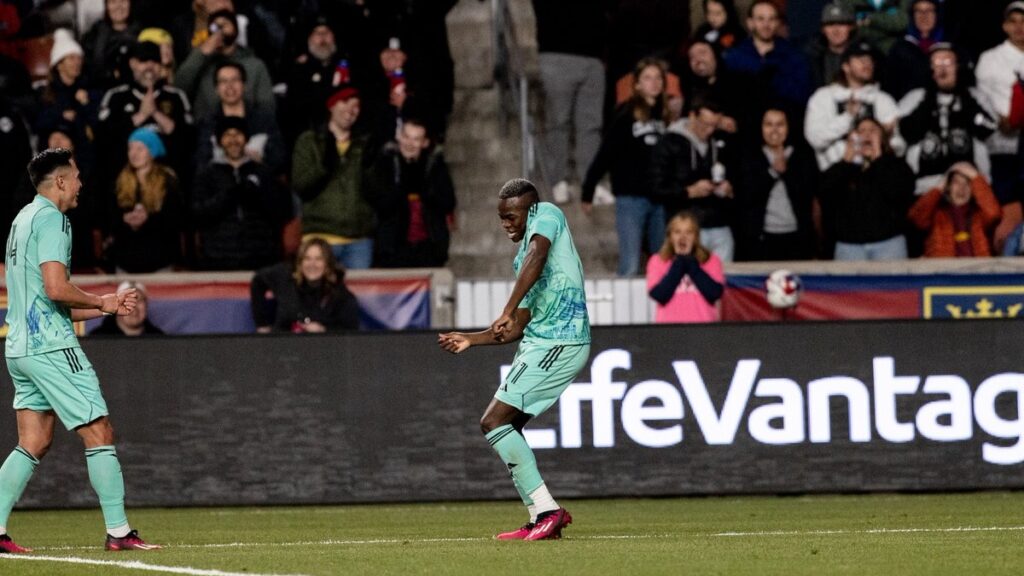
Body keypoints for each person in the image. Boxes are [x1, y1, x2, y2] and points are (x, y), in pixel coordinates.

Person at [0, 148, 159, 553]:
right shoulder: (54, 219)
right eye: (77, 177)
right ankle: (120, 533)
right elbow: (55, 287)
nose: (81, 184)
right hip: (51, 344)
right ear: (60, 182)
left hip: (19, 346)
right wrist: (102, 302)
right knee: (99, 431)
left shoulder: (21, 219)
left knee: (33, 442)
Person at [438, 178, 589, 541]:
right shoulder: (521, 261)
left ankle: (548, 511)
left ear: (530, 210)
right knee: (503, 427)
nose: (506, 223)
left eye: (511, 216)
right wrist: (471, 340)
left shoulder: (548, 215)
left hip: (561, 341)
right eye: (501, 217)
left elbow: (538, 255)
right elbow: (517, 325)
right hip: (538, 342)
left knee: (493, 421)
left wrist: (506, 307)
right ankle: (541, 514)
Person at [582, 57, 670, 276]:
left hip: (660, 198)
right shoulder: (625, 114)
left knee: (661, 263)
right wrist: (588, 189)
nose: (654, 83)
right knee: (630, 263)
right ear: (637, 84)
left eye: (658, 78)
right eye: (648, 78)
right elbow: (606, 153)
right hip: (631, 197)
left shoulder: (666, 116)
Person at [531, 0, 607, 204]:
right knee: (558, 122)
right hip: (556, 53)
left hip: (592, 56)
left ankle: (590, 183)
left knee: (591, 125)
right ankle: (558, 182)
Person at [292, 86, 376, 270]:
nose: (351, 110)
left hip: (359, 241)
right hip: (319, 238)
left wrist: (371, 169)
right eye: (345, 102)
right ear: (331, 106)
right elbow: (302, 185)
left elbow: (375, 191)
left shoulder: (365, 145)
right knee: (317, 296)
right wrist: (325, 167)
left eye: (356, 105)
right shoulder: (309, 141)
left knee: (357, 298)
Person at [192, 116, 291, 270]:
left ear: (246, 139)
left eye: (238, 134)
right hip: (218, 258)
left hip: (261, 258)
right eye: (227, 135)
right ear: (219, 141)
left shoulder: (263, 172)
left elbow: (282, 211)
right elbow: (198, 214)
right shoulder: (206, 175)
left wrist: (256, 193)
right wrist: (233, 193)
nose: (233, 140)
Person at [898, 43, 995, 195]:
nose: (943, 68)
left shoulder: (975, 96)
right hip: (925, 185)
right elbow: (907, 134)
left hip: (969, 184)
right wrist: (929, 98)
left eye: (948, 62)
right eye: (937, 63)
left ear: (958, 66)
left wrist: (963, 95)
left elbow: (988, 129)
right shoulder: (914, 98)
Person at [650, 96, 736, 262]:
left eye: (714, 125)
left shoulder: (721, 141)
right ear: (692, 116)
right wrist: (688, 191)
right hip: (686, 226)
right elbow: (655, 187)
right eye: (705, 124)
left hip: (719, 223)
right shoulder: (668, 143)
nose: (710, 130)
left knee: (723, 280)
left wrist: (729, 189)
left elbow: (738, 175)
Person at [819, 117, 916, 260]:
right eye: (861, 131)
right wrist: (847, 159)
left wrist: (878, 158)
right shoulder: (843, 169)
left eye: (873, 131)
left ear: (882, 137)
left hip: (889, 244)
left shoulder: (897, 166)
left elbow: (897, 193)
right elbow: (826, 196)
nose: (867, 134)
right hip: (849, 247)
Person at [736, 108, 820, 261]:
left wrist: (787, 171)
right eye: (769, 124)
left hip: (796, 237)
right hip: (760, 239)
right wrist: (773, 172)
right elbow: (746, 195)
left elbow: (808, 193)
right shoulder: (749, 155)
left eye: (780, 124)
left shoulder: (802, 154)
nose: (774, 130)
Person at [804, 41, 902, 171]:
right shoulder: (824, 97)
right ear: (846, 66)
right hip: (836, 178)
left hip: (877, 178)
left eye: (869, 60)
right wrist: (847, 118)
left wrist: (884, 137)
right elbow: (815, 139)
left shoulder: (883, 100)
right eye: (860, 59)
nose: (866, 63)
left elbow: (900, 147)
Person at [372, 118, 456, 268]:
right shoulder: (386, 162)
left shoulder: (435, 166)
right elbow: (380, 201)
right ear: (399, 137)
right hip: (393, 249)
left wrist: (425, 189)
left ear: (425, 143)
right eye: (406, 137)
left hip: (428, 248)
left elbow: (448, 202)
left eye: (416, 139)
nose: (410, 143)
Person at [974, 2, 1024, 254]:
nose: (1019, 27)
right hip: (1003, 147)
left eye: (1023, 21)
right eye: (1013, 21)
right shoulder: (990, 58)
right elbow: (982, 101)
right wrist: (1003, 118)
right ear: (1005, 25)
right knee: (1008, 217)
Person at [101, 127, 184, 273]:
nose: (133, 154)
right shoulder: (119, 181)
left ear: (152, 152)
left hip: (159, 261)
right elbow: (109, 217)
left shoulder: (168, 181)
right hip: (126, 262)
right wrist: (125, 219)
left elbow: (175, 219)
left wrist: (148, 220)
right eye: (130, 148)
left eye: (140, 149)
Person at [250, 237, 360, 333]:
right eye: (307, 258)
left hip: (321, 350)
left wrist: (323, 330)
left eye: (319, 259)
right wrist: (262, 324)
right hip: (283, 348)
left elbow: (350, 332)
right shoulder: (284, 276)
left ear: (327, 265)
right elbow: (258, 281)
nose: (312, 264)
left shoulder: (339, 294)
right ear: (300, 262)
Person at [908, 162, 1001, 257]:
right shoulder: (936, 215)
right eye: (956, 182)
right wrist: (940, 186)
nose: (962, 188)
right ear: (948, 187)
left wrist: (974, 175)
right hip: (944, 269)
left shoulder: (979, 216)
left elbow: (994, 213)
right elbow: (916, 216)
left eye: (967, 183)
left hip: (976, 270)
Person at [646, 211, 724, 323]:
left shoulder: (711, 260)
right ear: (670, 236)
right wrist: (679, 262)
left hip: (703, 326)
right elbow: (660, 295)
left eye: (689, 232)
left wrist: (690, 262)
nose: (683, 237)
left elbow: (714, 293)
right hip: (669, 328)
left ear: (696, 236)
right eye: (677, 232)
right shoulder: (658, 260)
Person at [882, 0, 945, 101]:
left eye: (929, 10)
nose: (924, 16)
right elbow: (890, 87)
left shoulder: (948, 47)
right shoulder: (900, 49)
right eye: (918, 11)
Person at [805, 2, 858, 91]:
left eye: (841, 24)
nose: (835, 30)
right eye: (830, 24)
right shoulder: (811, 57)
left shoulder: (864, 55)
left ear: (851, 27)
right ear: (822, 29)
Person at [90, 280, 165, 335]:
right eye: (127, 300)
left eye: (139, 300)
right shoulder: (98, 336)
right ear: (117, 305)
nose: (134, 306)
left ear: (146, 305)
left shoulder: (159, 338)